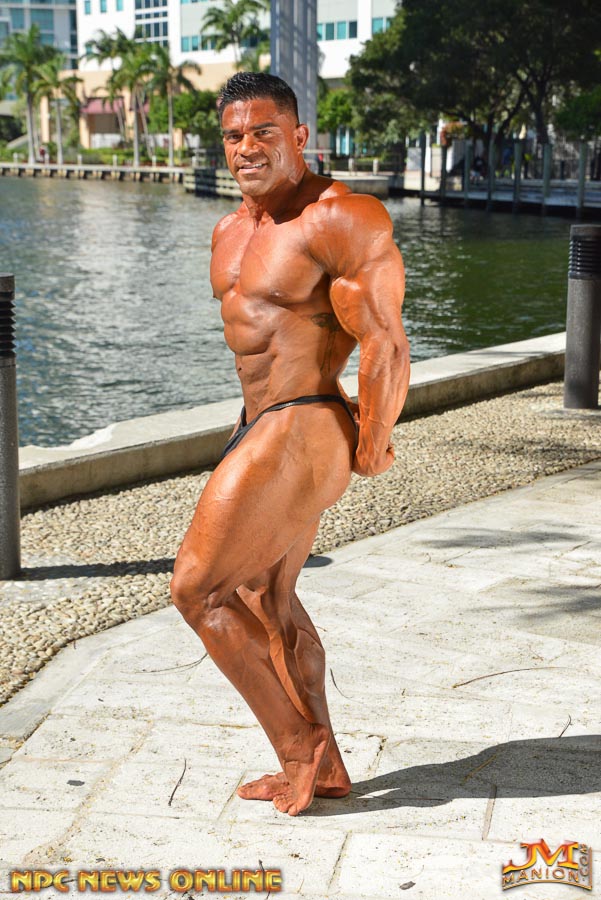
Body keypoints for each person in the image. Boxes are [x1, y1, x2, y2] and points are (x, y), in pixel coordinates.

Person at [170, 72, 410, 817]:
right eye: (233, 135)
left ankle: (298, 747)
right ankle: (327, 765)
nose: (246, 147)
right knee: (264, 596)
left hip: (305, 421)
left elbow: (385, 339)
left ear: (300, 136)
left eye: (263, 132)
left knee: (196, 589)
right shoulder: (228, 231)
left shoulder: (340, 217)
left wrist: (374, 438)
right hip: (257, 422)